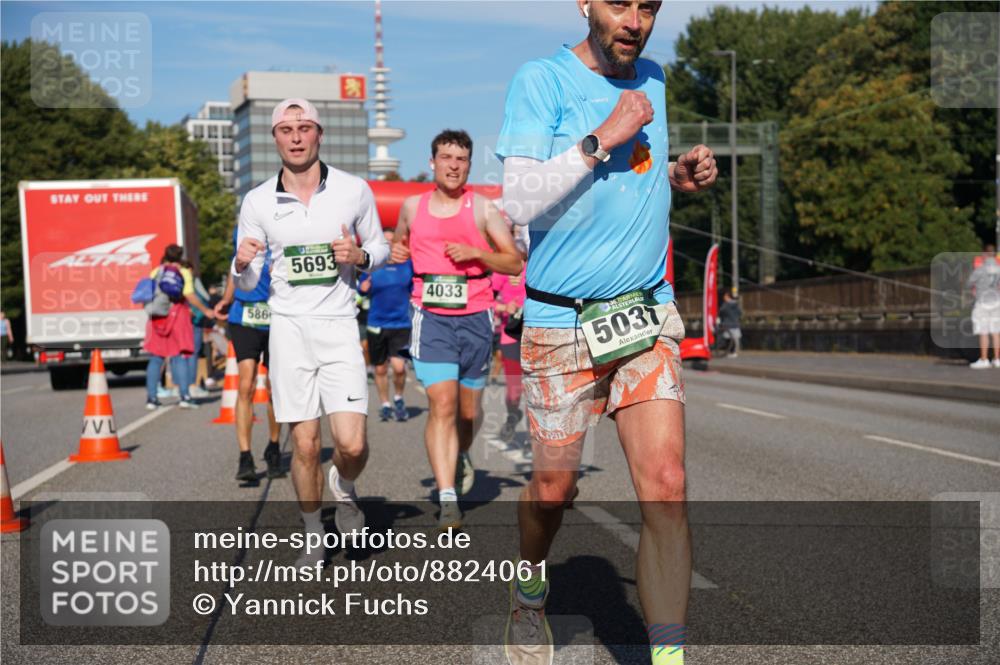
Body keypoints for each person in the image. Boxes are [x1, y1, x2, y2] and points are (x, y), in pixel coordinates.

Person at [495, 1, 718, 663]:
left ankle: (669, 656)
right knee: (553, 488)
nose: (635, 20)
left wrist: (677, 175)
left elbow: (636, 178)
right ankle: (530, 585)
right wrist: (600, 138)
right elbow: (518, 200)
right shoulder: (541, 80)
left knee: (667, 481)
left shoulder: (654, 78)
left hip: (645, 315)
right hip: (561, 321)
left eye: (648, 7)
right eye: (619, 3)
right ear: (584, 2)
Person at [232, 98, 389, 566]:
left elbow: (380, 246)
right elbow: (245, 280)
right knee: (302, 444)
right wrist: (241, 263)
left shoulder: (353, 189)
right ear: (275, 138)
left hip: (339, 326)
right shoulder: (257, 201)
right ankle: (312, 532)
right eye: (286, 129)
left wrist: (359, 257)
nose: (296, 137)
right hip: (287, 331)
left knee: (352, 445)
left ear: (319, 134)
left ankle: (343, 483)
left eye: (304, 127)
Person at [391, 129, 523, 530]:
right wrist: (398, 251)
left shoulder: (482, 209)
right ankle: (448, 497)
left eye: (461, 159)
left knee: (468, 413)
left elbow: (514, 262)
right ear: (432, 162)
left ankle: (462, 454)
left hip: (476, 315)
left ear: (468, 165)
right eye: (446, 157)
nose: (453, 165)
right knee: (442, 405)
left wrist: (477, 253)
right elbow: (399, 245)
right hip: (429, 316)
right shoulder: (413, 207)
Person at [214, 227, 284, 483]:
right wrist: (225, 300)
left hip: (278, 316)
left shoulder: (285, 229)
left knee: (276, 388)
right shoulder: (241, 230)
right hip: (243, 316)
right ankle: (245, 456)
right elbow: (237, 269)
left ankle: (274, 446)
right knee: (246, 384)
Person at [144, 244, 214, 410]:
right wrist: (205, 310)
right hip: (178, 316)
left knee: (156, 357)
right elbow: (189, 295)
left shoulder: (156, 272)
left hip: (158, 316)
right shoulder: (183, 273)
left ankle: (151, 398)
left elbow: (148, 294)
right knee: (180, 355)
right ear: (180, 256)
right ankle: (185, 396)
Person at [360, 227, 414, 422]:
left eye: (393, 241)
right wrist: (363, 289)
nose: (390, 244)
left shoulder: (408, 265)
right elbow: (361, 289)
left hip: (401, 324)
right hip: (377, 324)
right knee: (380, 369)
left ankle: (398, 397)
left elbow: (416, 290)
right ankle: (385, 403)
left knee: (399, 368)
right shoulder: (374, 266)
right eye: (387, 241)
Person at [492, 267, 527, 441]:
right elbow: (483, 301)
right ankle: (512, 416)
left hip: (536, 336)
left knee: (538, 391)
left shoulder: (537, 264)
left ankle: (541, 434)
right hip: (511, 337)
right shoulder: (502, 270)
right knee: (514, 392)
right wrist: (504, 306)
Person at [967, 243, 1000, 369]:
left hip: (982, 302)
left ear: (985, 254)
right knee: (996, 332)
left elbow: (969, 283)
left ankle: (984, 359)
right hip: (997, 302)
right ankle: (997, 359)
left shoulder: (980, 269)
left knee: (983, 331)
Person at [717, 290, 742, 358]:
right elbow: (740, 313)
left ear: (728, 297)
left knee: (728, 339)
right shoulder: (736, 304)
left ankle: (731, 352)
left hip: (727, 324)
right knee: (733, 339)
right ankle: (733, 352)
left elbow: (721, 312)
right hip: (735, 323)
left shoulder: (726, 305)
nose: (724, 297)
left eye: (725, 296)